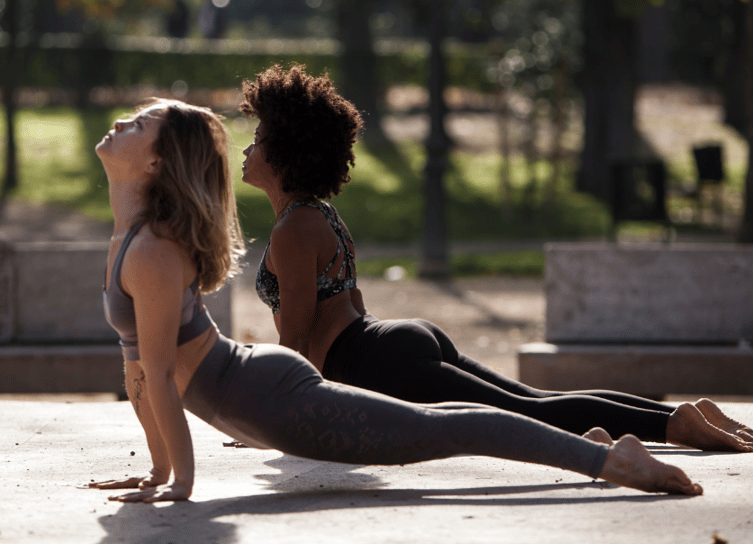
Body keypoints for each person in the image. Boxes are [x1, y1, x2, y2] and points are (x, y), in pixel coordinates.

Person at [89, 96, 702, 503]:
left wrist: (180, 484)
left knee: (439, 432)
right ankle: (589, 446)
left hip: (272, 392)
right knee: (462, 419)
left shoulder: (156, 251)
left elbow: (164, 375)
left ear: (157, 161)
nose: (121, 123)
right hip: (275, 384)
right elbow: (139, 367)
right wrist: (159, 471)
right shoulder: (135, 241)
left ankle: (613, 462)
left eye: (140, 124)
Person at [238, 64, 753, 453]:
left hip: (376, 362)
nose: (246, 150)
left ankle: (674, 425)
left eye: (257, 140)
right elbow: (351, 305)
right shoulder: (321, 216)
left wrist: (281, 423)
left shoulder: (292, 229)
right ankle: (677, 414)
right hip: (391, 341)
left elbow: (295, 343)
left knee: (530, 413)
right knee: (532, 401)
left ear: (283, 154)